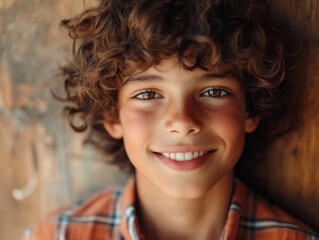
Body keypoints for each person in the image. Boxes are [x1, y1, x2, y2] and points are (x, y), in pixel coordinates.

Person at [24, 0, 319, 239]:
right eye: (148, 94)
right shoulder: (55, 235)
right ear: (112, 117)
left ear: (249, 110)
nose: (182, 121)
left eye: (214, 91)